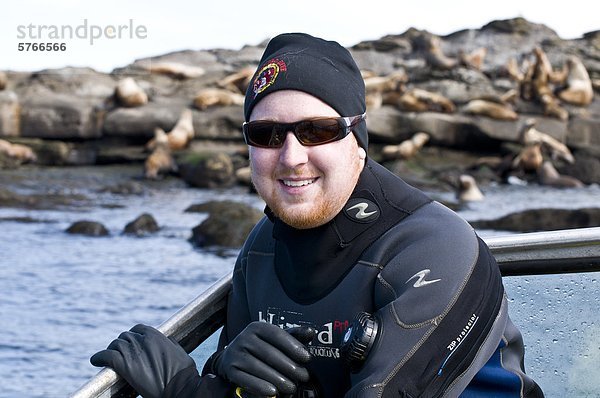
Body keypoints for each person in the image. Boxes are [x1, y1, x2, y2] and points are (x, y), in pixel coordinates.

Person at [91, 33, 544, 397]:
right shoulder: (262, 249)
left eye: (317, 131)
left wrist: (187, 392)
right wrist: (222, 380)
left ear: (358, 140)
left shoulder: (435, 248)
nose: (291, 157)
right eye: (267, 134)